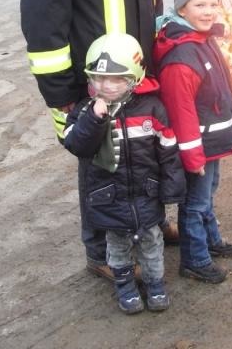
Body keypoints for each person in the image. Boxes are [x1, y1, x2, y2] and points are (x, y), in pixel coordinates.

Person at [20, 0, 177, 282]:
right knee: (101, 164)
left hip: (138, 76)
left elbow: (148, 1)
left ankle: (148, 223)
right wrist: (64, 95)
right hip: (95, 83)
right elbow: (42, 22)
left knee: (142, 152)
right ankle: (101, 253)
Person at [63, 33, 185, 314]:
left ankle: (155, 285)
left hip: (146, 195)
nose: (106, 86)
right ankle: (126, 287)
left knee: (152, 243)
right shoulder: (85, 110)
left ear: (134, 77)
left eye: (117, 79)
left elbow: (168, 152)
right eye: (98, 78)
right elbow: (76, 145)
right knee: (116, 247)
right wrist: (95, 119)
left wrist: (172, 191)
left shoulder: (152, 109)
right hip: (110, 199)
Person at [153, 0, 232, 284]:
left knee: (209, 194)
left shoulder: (202, 39)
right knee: (194, 203)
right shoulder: (182, 55)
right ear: (182, 9)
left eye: (212, 3)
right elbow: (182, 112)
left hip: (212, 141)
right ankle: (195, 259)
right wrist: (192, 158)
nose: (208, 11)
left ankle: (211, 240)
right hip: (197, 146)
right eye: (199, 4)